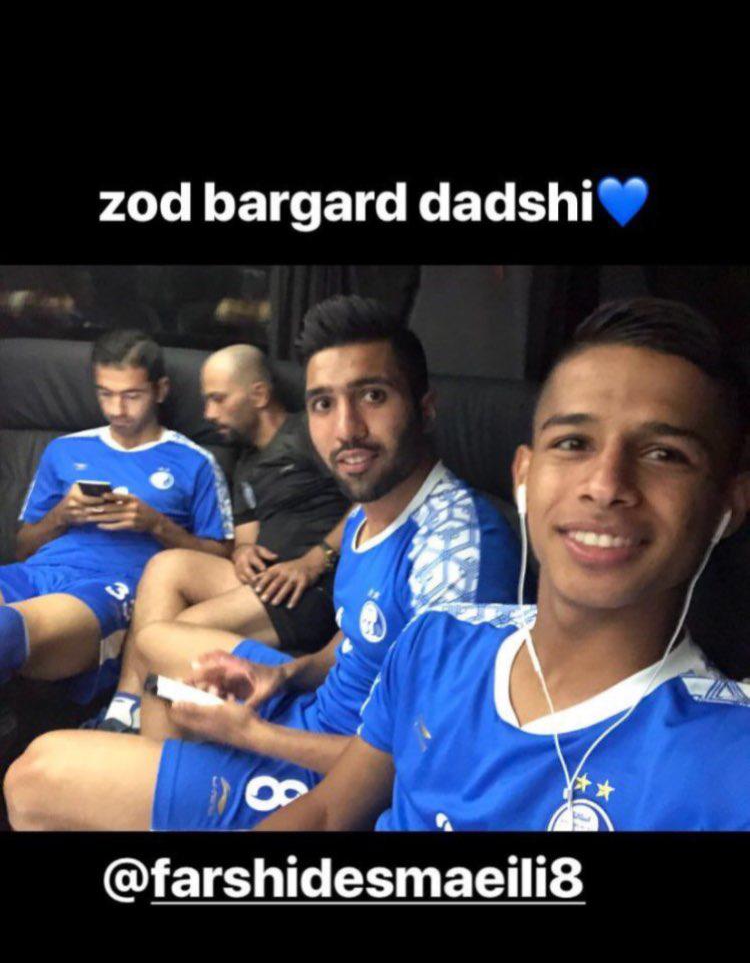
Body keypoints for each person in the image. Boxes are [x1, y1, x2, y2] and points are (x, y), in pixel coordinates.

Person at [4, 295, 521, 830]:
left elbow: (419, 762)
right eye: (323, 403)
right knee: (161, 661)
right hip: (316, 712)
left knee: (32, 777)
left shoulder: (454, 552)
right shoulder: (368, 517)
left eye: (373, 395)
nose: (346, 428)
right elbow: (357, 641)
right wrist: (284, 673)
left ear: (425, 408)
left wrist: (253, 736)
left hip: (337, 778)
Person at [252, 298, 750, 832]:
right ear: (524, 476)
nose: (605, 485)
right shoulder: (436, 641)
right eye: (573, 443)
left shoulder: (727, 766)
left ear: (730, 504)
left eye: (664, 454)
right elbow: (328, 812)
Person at [94, 343, 349, 732]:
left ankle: (154, 745)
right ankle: (126, 707)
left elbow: (368, 502)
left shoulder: (311, 432)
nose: (208, 414)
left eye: (217, 399)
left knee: (170, 635)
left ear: (258, 395)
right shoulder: (246, 463)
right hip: (268, 580)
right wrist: (243, 552)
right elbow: (245, 538)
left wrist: (315, 559)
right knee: (166, 565)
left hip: (312, 584)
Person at [0, 330, 234, 704]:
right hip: (36, 572)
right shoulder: (64, 450)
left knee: (6, 630)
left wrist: (155, 524)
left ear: (160, 390)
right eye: (105, 394)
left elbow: (220, 559)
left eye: (131, 395)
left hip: (108, 588)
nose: (116, 409)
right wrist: (61, 515)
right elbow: (22, 547)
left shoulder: (195, 462)